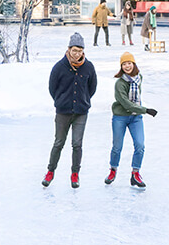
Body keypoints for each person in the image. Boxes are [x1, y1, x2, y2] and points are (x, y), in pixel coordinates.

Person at [44, 32, 98, 189]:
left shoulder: (88, 67)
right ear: (69, 49)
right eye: (74, 50)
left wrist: (84, 100)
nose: (77, 53)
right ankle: (50, 171)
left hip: (81, 112)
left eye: (80, 50)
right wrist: (61, 101)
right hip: (63, 112)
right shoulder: (59, 67)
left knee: (77, 144)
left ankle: (75, 173)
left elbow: (92, 88)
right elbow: (52, 88)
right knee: (59, 142)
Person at [106, 52, 158, 189]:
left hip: (135, 117)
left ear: (133, 64)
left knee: (140, 145)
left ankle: (135, 173)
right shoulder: (119, 83)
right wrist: (145, 110)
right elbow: (126, 104)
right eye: (124, 64)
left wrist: (140, 111)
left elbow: (136, 97)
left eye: (129, 63)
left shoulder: (139, 78)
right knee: (117, 147)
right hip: (120, 117)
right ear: (121, 67)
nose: (127, 66)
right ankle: (113, 170)